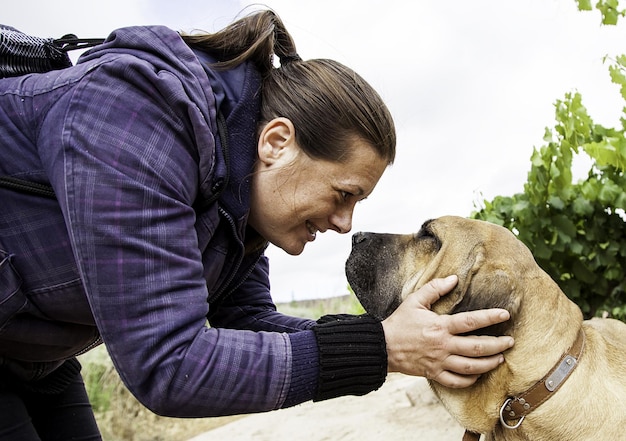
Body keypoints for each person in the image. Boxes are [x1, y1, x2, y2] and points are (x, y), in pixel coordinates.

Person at [0, 9, 514, 440]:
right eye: (343, 194)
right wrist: (384, 348)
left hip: (35, 356)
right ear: (276, 142)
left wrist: (385, 339)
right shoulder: (136, 120)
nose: (344, 224)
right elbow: (170, 366)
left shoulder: (239, 207)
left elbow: (252, 325)